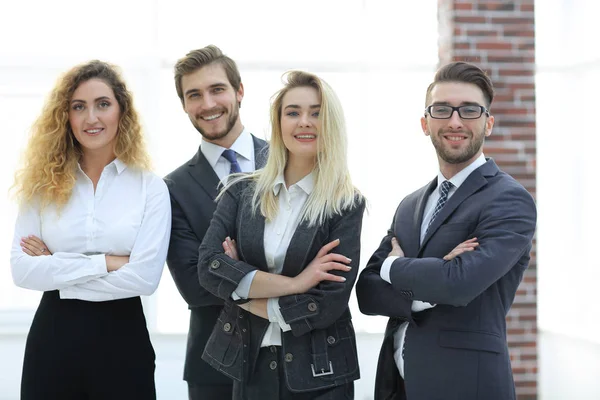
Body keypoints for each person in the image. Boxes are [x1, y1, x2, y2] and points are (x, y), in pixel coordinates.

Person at [356, 61, 537, 400]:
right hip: (398, 387)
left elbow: (460, 285)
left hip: (467, 387)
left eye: (469, 110)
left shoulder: (509, 200)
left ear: (489, 123)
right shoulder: (410, 204)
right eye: (442, 110)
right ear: (425, 124)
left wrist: (393, 267)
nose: (455, 121)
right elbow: (367, 291)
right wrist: (433, 278)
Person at [197, 71, 365, 400]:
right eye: (293, 112)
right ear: (279, 122)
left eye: (317, 113)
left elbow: (327, 303)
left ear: (331, 123)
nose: (304, 122)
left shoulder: (346, 203)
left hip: (320, 373)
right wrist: (296, 284)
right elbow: (209, 267)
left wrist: (241, 290)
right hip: (251, 362)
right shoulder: (240, 192)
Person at [10, 60, 171, 400]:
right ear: (65, 116)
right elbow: (23, 270)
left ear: (121, 111)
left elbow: (144, 278)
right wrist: (108, 262)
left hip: (122, 340)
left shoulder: (150, 188)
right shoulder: (41, 187)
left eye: (103, 104)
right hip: (53, 341)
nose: (91, 118)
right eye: (78, 107)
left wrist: (58, 266)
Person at [165, 44, 268, 399]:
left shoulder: (290, 161)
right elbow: (196, 287)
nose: (207, 104)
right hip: (215, 365)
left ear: (239, 91)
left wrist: (231, 266)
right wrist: (282, 274)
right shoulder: (172, 188)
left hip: (296, 357)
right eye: (194, 94)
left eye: (217, 89)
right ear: (184, 105)